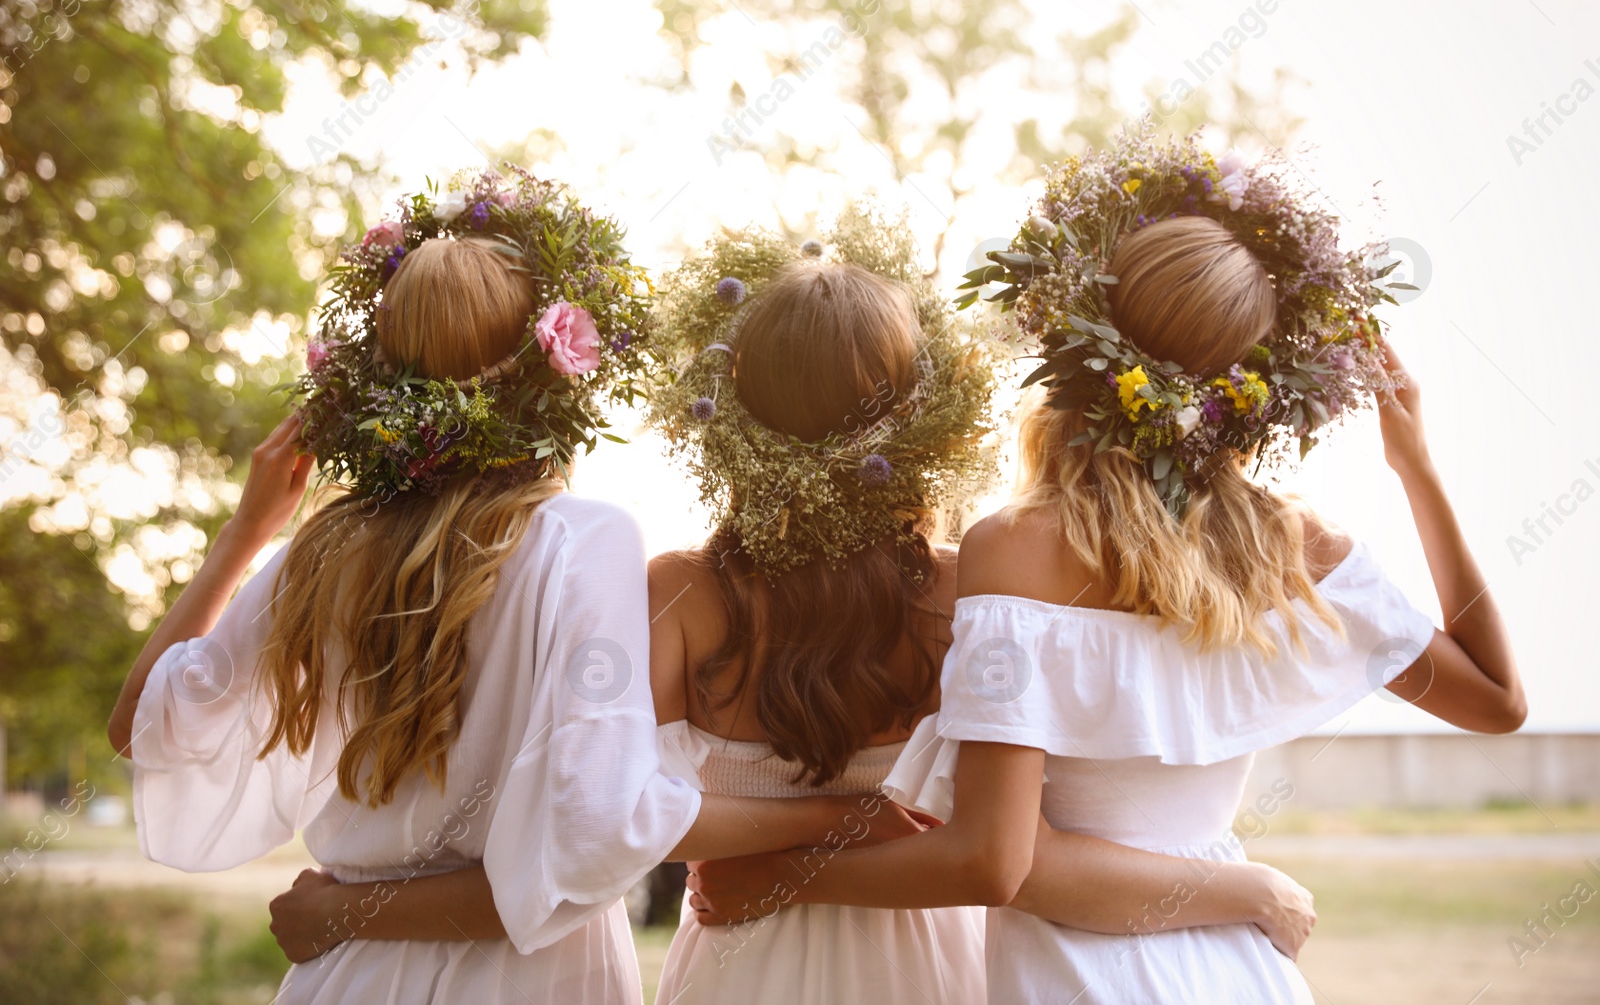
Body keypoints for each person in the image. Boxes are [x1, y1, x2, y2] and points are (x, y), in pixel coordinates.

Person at [267, 214, 1324, 1003]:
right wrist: (1246, 887)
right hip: (937, 964)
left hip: (739, 962)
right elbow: (1034, 839)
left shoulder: (677, 596)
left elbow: (604, 823)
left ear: (732, 412)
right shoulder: (972, 590)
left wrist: (784, 848)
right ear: (921, 416)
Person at [688, 147, 1525, 1004]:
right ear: (1251, 385)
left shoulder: (1013, 548)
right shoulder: (1295, 543)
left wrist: (789, 876)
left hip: (1077, 977)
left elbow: (993, 858)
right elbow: (1498, 699)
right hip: (1240, 968)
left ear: (1087, 343)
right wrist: (1415, 467)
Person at [107, 175, 924, 1005]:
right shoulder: (584, 542)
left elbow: (138, 727)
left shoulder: (314, 556)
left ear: (383, 383)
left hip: (347, 976)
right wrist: (834, 817)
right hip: (530, 980)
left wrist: (246, 536)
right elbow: (594, 837)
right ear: (553, 377)